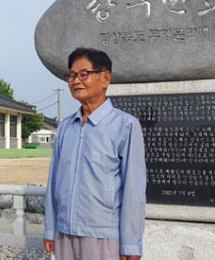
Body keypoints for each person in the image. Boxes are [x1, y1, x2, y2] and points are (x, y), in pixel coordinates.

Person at [43, 47, 146, 260]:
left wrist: (130, 244)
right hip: (65, 233)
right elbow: (54, 181)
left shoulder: (125, 125)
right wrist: (50, 228)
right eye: (72, 75)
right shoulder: (65, 127)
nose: (76, 81)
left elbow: (133, 189)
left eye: (83, 74)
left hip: (104, 236)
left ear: (105, 78)